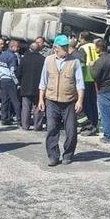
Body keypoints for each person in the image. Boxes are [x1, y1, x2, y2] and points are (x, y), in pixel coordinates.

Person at [38, 35, 85, 167]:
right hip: (52, 101)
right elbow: (43, 81)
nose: (66, 49)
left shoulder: (74, 62)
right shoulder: (48, 60)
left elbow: (80, 83)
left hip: (69, 101)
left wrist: (80, 101)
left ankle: (68, 155)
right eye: (63, 47)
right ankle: (53, 156)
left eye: (66, 46)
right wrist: (41, 99)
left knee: (71, 131)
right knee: (52, 129)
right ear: (56, 48)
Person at [18, 42, 46, 131]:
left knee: (26, 107)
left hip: (26, 86)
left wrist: (20, 82)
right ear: (39, 49)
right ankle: (37, 125)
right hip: (38, 87)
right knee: (38, 106)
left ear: (30, 49)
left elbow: (18, 72)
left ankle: (25, 125)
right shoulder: (43, 59)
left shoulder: (24, 59)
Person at [78, 32, 100, 136]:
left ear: (82, 39)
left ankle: (89, 125)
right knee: (93, 102)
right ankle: (95, 124)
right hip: (95, 77)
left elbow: (81, 64)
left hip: (86, 77)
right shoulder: (96, 46)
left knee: (86, 103)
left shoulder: (82, 48)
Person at [0, 40, 22, 127]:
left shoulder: (2, 55)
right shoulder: (12, 56)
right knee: (16, 101)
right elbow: (13, 72)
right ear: (12, 47)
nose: (19, 48)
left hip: (3, 80)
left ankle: (4, 119)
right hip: (10, 80)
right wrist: (17, 83)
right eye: (17, 47)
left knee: (4, 100)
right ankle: (19, 120)